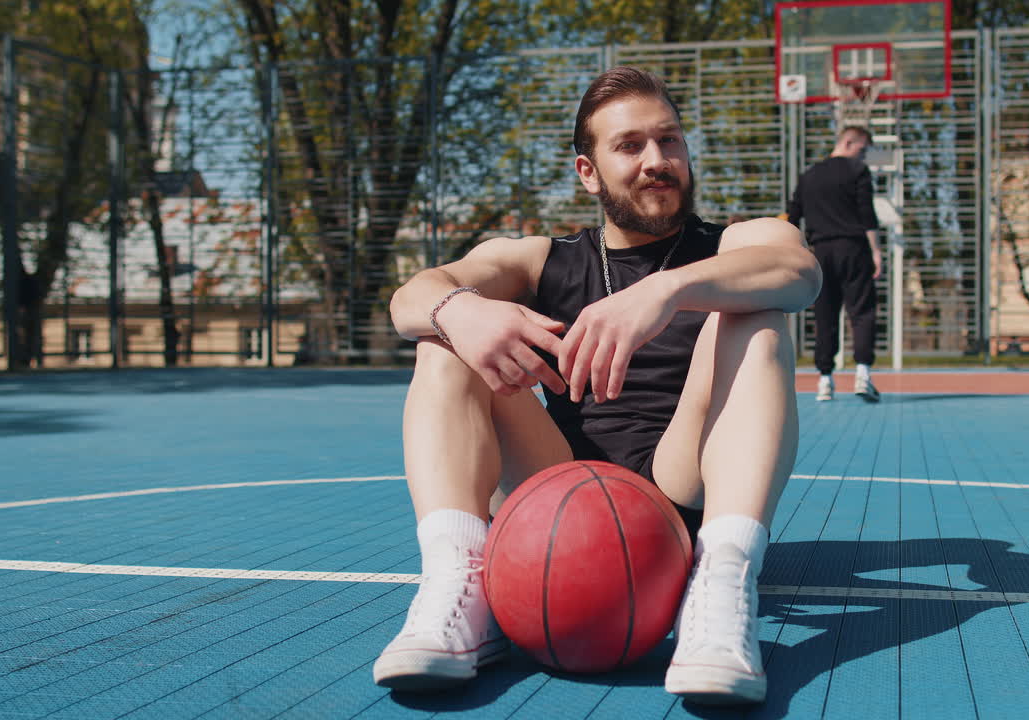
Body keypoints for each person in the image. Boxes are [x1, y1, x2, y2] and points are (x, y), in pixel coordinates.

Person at [372, 66, 821, 704]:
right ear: (589, 171)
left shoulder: (732, 243)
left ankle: (722, 587)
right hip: (553, 490)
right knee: (445, 335)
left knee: (758, 315)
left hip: (680, 482)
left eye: (669, 141)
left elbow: (798, 269)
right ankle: (457, 587)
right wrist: (462, 314)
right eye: (630, 146)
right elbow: (412, 297)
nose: (656, 160)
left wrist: (666, 289)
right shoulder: (540, 259)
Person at [787, 126, 882, 402]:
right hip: (853, 249)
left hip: (821, 252)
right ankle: (863, 374)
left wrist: (794, 252)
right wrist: (876, 251)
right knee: (862, 312)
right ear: (848, 142)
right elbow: (868, 214)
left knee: (824, 315)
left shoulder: (808, 176)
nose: (863, 157)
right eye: (862, 150)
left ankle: (824, 380)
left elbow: (793, 216)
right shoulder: (857, 171)